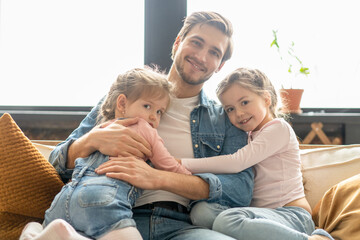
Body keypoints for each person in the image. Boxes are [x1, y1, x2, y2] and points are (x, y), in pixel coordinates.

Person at [41, 11, 254, 240]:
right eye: (196, 42)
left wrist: (158, 178)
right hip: (109, 219)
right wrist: (91, 140)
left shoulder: (225, 119)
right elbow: (55, 164)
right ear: (177, 43)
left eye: (214, 52)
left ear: (220, 66)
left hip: (182, 226)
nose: (202, 57)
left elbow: (241, 189)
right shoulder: (127, 95)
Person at [36, 67, 195, 240]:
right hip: (102, 201)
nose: (153, 117)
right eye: (147, 106)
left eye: (159, 112)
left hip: (63, 200)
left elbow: (59, 162)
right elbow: (167, 164)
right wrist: (190, 177)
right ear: (122, 104)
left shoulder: (101, 128)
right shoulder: (144, 129)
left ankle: (36, 231)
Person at [180, 68, 333, 240]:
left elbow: (236, 162)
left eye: (244, 102)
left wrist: (182, 164)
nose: (238, 113)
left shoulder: (278, 128)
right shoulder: (248, 136)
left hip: (292, 215)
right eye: (230, 109)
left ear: (266, 99)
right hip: (259, 215)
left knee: (227, 221)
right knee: (201, 213)